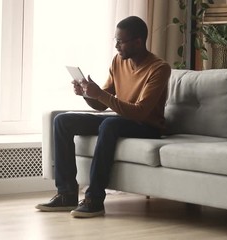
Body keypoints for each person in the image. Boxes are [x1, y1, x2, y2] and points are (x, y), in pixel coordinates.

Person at [35, 16, 171, 218]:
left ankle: (94, 199)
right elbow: (101, 104)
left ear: (138, 42)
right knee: (63, 120)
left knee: (110, 124)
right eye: (115, 40)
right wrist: (86, 93)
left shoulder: (159, 68)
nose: (116, 46)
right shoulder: (118, 61)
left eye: (121, 41)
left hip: (147, 126)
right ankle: (66, 194)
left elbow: (140, 112)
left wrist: (99, 94)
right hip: (121, 120)